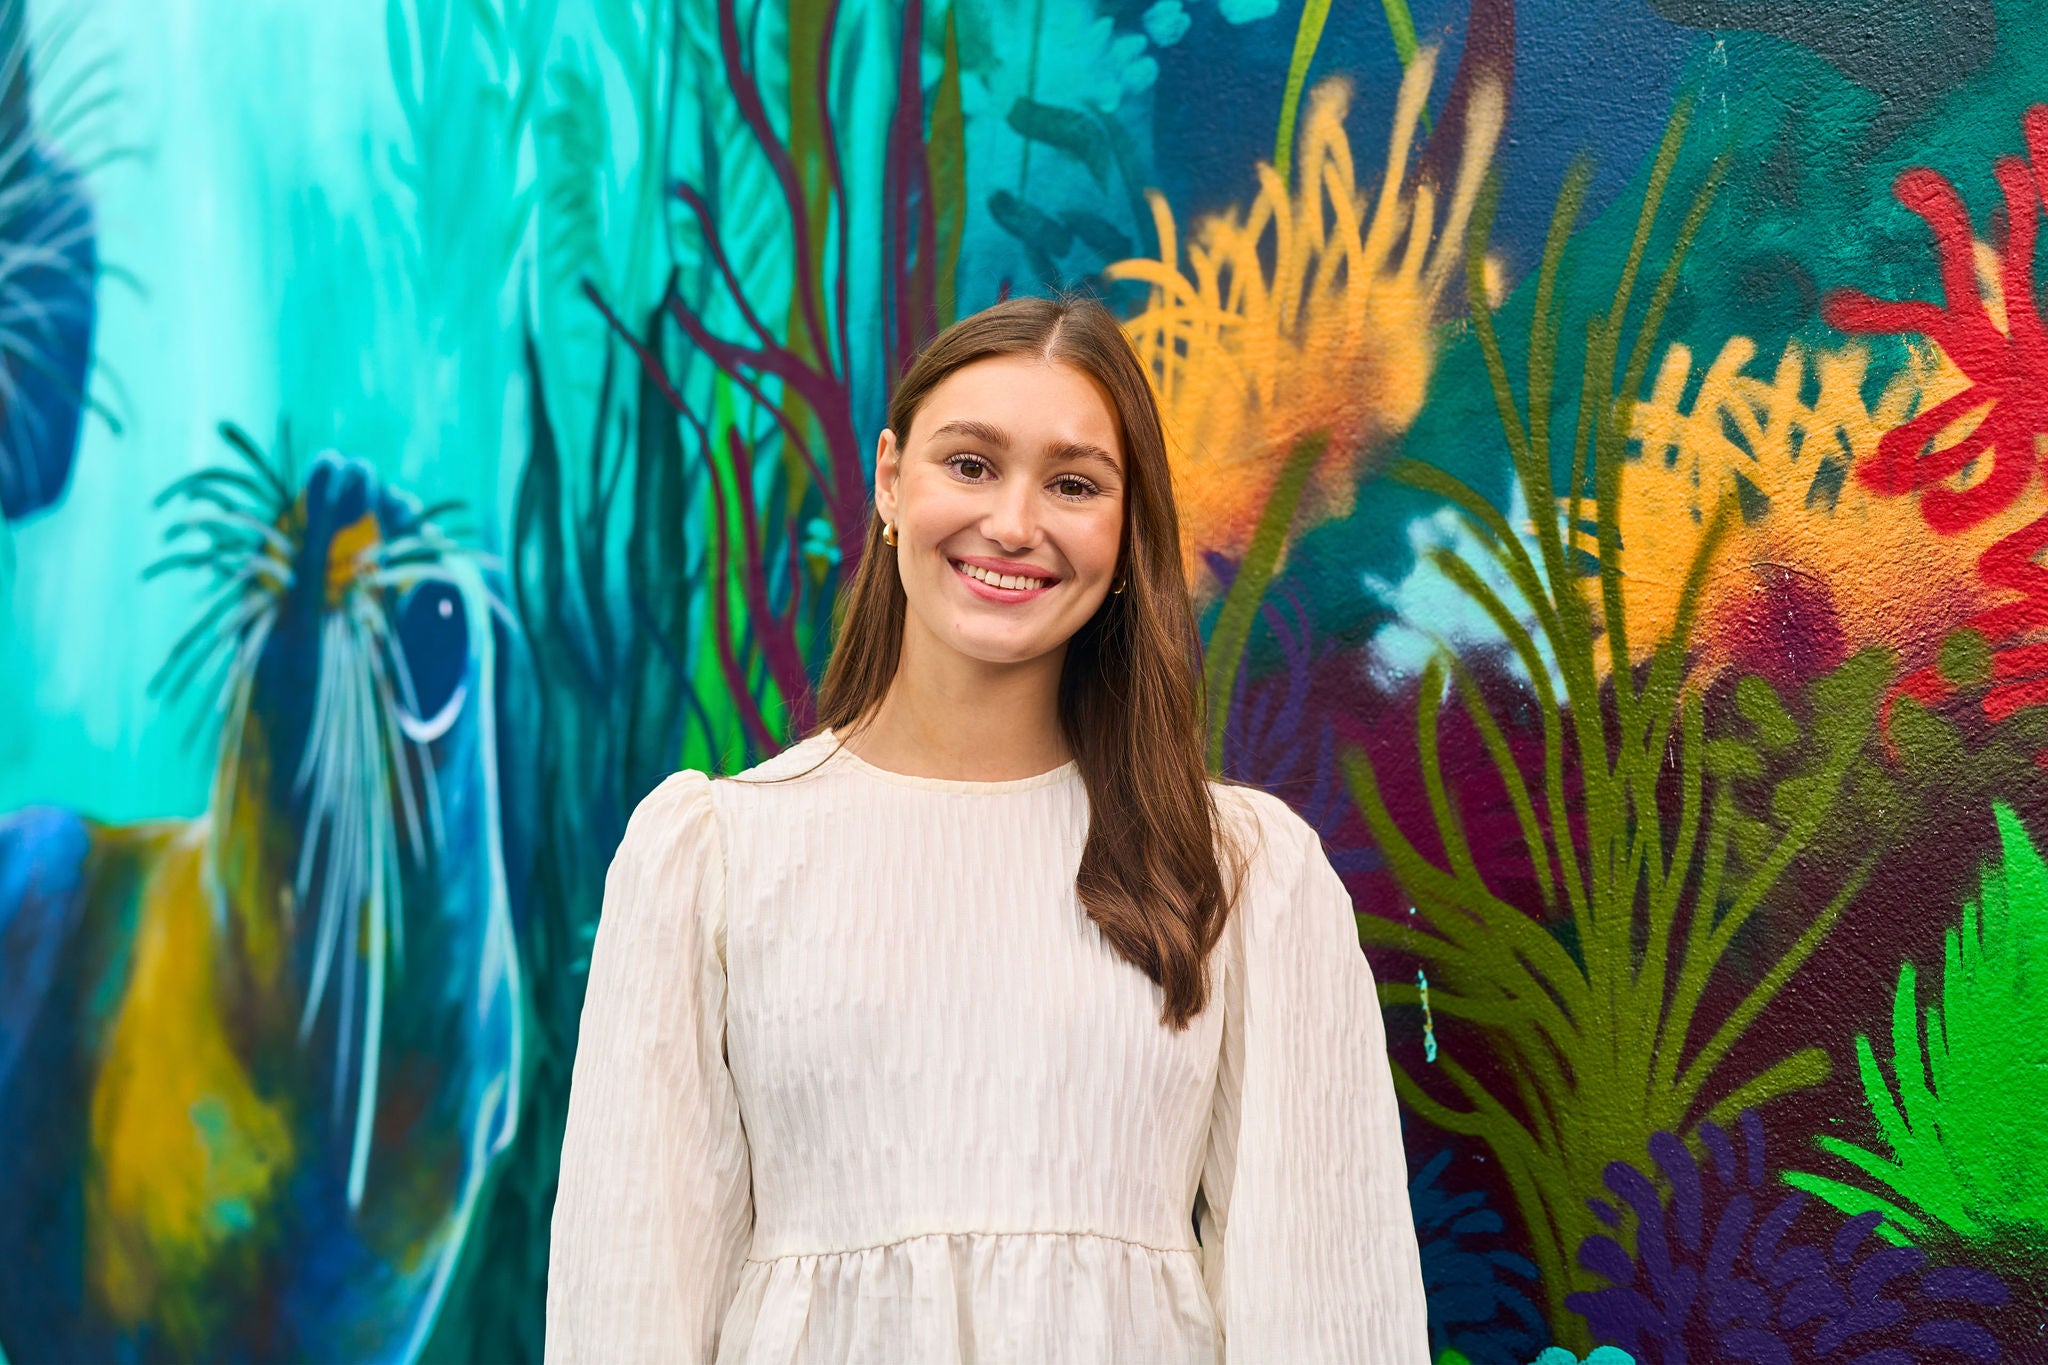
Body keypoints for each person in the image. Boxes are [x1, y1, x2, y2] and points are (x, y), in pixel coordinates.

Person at [544, 292, 1430, 1362]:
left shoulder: (1243, 874)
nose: (1014, 524)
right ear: (888, 480)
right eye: (969, 464)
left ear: (1125, 524)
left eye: (1072, 483)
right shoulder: (711, 859)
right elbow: (625, 1302)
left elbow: (1325, 1313)